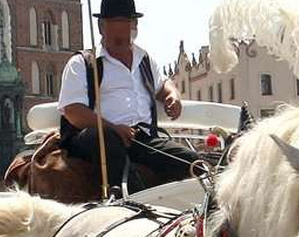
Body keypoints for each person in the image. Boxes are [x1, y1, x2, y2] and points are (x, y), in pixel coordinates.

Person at [57, 0, 200, 194]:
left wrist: (172, 95)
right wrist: (113, 127)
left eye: (127, 22)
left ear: (135, 26)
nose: (123, 29)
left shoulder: (145, 60)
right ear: (102, 27)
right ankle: (133, 200)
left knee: (190, 161)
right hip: (97, 137)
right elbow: (72, 110)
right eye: (116, 22)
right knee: (107, 138)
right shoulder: (82, 63)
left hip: (141, 138)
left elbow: (163, 84)